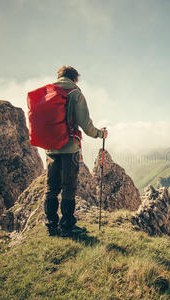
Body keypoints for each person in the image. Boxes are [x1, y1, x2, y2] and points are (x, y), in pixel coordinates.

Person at [44, 66, 108, 236]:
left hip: (50, 147)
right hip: (69, 147)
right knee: (68, 186)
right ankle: (67, 225)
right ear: (75, 79)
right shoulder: (75, 93)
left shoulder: (48, 93)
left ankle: (51, 224)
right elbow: (86, 126)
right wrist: (101, 134)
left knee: (51, 186)